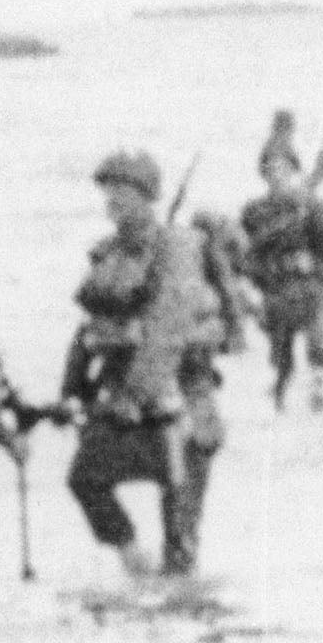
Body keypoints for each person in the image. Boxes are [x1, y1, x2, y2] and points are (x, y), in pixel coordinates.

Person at [62, 149, 245, 575]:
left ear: (147, 196)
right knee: (85, 479)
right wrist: (71, 393)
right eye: (108, 191)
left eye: (122, 191)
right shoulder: (107, 253)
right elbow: (89, 331)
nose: (112, 200)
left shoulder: (176, 247)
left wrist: (136, 393)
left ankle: (182, 617)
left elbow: (168, 327)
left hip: (180, 401)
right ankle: (134, 563)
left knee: (179, 532)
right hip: (126, 400)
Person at [235, 130, 323, 413]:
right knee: (279, 344)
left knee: (319, 338)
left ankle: (321, 387)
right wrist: (258, 276)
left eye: (282, 168)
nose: (275, 174)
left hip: (309, 284)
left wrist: (313, 265)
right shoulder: (254, 211)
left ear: (293, 169)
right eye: (269, 169)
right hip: (276, 284)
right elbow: (244, 252)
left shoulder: (310, 206)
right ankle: (282, 384)